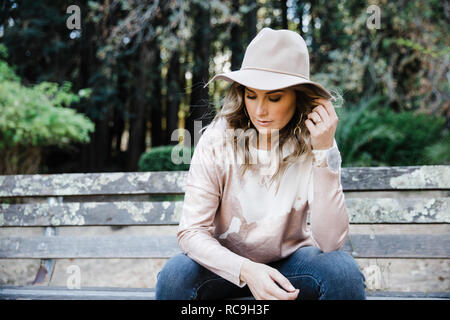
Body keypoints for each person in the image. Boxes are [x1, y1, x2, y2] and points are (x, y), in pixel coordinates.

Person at [155, 27, 366, 300]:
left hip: (292, 265)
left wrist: (323, 151)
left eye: (274, 98)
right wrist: (247, 270)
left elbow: (331, 242)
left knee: (343, 271)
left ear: (298, 96)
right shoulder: (217, 139)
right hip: (225, 265)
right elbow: (192, 231)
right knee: (175, 275)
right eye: (251, 95)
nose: (259, 111)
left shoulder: (318, 140)